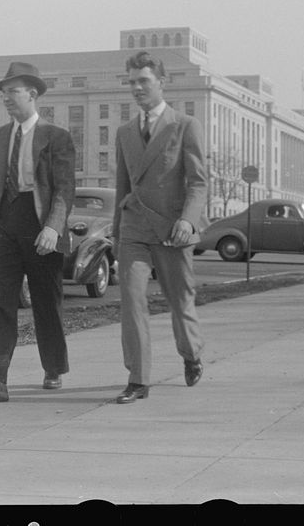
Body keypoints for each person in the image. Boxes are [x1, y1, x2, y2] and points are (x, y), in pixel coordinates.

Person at [0, 61, 76, 402]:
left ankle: (54, 366)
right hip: (7, 223)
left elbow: (64, 189)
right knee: (0, 301)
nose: (6, 98)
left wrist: (53, 228)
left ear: (32, 94)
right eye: (3, 93)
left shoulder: (57, 137)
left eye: (12, 91)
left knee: (46, 302)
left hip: (41, 223)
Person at [112, 51, 208, 404]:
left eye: (144, 82)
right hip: (134, 228)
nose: (136, 88)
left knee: (180, 300)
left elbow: (198, 182)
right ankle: (138, 379)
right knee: (132, 301)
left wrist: (188, 219)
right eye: (132, 82)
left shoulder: (184, 125)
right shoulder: (124, 132)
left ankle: (191, 352)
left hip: (173, 229)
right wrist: (116, 230)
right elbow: (123, 187)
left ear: (161, 83)